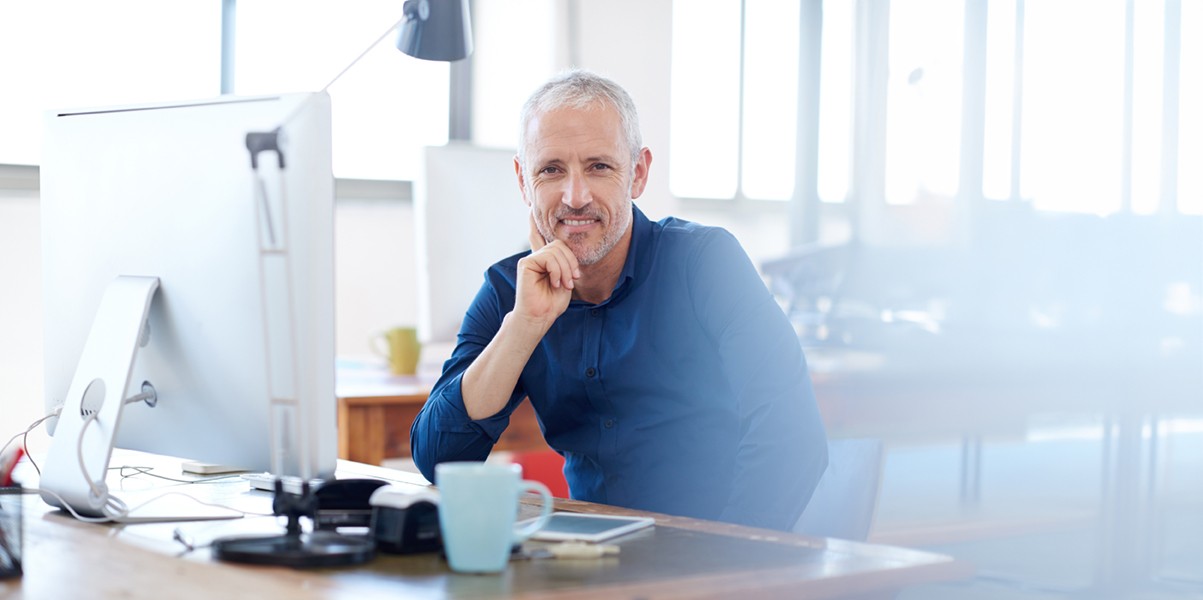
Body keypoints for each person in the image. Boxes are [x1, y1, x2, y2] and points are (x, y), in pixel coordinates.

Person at [410, 69, 828, 531]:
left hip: (712, 554)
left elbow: (792, 438)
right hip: (589, 560)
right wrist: (524, 325)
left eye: (599, 166)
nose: (575, 196)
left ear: (638, 173)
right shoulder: (511, 291)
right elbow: (437, 457)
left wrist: (725, 567)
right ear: (523, 181)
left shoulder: (704, 263)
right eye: (551, 170)